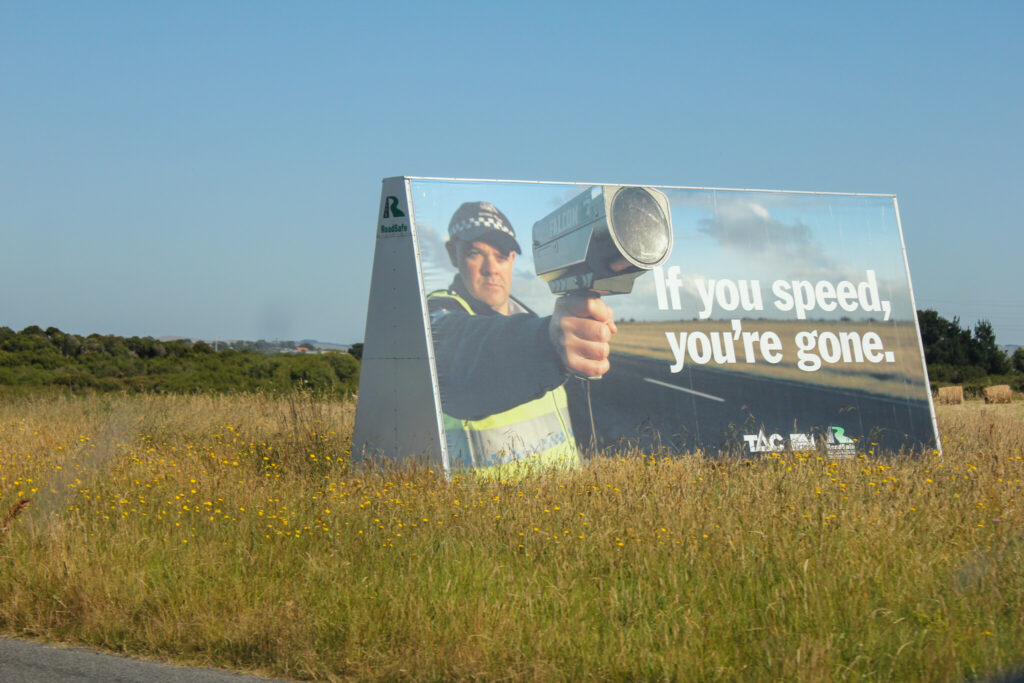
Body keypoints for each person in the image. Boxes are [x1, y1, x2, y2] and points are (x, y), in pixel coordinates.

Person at [427, 201, 617, 475]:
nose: (491, 268)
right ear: (452, 254)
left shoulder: (532, 319)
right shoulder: (436, 315)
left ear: (513, 260)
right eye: (474, 253)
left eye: (501, 255)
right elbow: (457, 351)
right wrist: (545, 344)